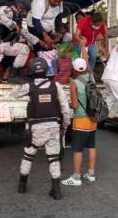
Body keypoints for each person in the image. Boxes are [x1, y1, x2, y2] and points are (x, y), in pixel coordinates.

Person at [12, 57, 71, 200]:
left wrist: (23, 81)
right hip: (53, 127)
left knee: (28, 156)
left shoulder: (29, 87)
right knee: (54, 158)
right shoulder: (56, 86)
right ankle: (56, 190)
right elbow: (65, 108)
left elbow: (13, 93)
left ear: (31, 72)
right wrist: (66, 123)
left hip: (35, 128)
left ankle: (22, 185)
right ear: (46, 70)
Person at [61, 58, 98, 186]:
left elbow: (75, 105)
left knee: (78, 150)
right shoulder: (91, 78)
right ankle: (91, 174)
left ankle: (76, 178)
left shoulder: (74, 83)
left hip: (81, 120)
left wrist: (67, 104)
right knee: (92, 147)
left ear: (74, 68)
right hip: (93, 119)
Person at [0, 0, 31, 83]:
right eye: (25, 10)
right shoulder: (8, 10)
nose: (25, 13)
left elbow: (22, 33)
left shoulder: (16, 17)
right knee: (24, 49)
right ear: (20, 7)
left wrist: (37, 41)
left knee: (17, 47)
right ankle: (13, 76)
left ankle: (10, 76)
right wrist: (14, 25)